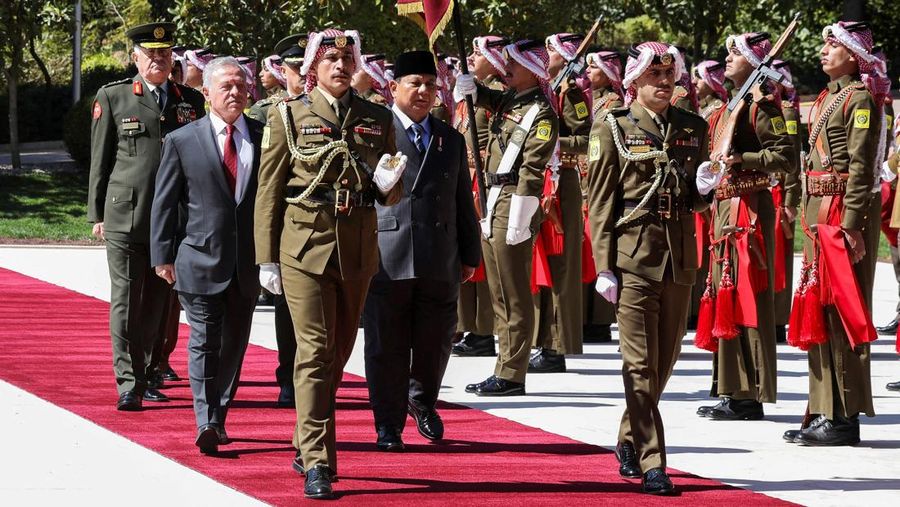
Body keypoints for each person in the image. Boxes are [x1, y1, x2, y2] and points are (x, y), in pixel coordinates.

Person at [254, 28, 406, 499]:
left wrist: (388, 180)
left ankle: (303, 437)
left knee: (338, 352)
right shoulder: (288, 114)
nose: (340, 66)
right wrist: (266, 258)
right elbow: (269, 191)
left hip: (356, 246)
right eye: (329, 59)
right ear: (311, 66)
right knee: (316, 351)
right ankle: (319, 461)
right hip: (305, 245)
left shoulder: (377, 117)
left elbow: (389, 193)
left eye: (346, 58)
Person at [587, 41, 709, 495]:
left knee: (662, 365)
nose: (663, 83)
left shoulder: (692, 128)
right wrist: (604, 266)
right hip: (633, 258)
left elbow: (692, 198)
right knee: (638, 366)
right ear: (634, 81)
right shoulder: (613, 128)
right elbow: (599, 205)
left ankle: (627, 438)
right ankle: (653, 461)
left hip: (678, 261)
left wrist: (706, 188)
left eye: (669, 75)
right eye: (653, 77)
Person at [362, 50, 481, 451]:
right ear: (393, 87)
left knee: (435, 342)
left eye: (431, 85)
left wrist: (469, 254)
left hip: (438, 254)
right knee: (386, 345)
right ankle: (388, 423)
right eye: (415, 83)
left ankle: (423, 400)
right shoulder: (375, 131)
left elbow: (463, 199)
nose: (424, 91)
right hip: (387, 253)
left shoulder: (450, 137)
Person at [87, 22, 205, 411]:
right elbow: (100, 162)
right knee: (125, 299)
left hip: (171, 217)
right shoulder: (115, 97)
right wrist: (97, 212)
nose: (158, 58)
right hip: (126, 215)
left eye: (165, 52)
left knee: (158, 301)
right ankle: (128, 381)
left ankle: (152, 371)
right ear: (135, 56)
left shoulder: (189, 100)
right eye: (150, 52)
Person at [150, 57, 262, 454]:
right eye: (226, 86)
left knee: (234, 343)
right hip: (198, 259)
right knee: (203, 340)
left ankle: (221, 412)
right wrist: (162, 254)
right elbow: (165, 202)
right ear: (207, 93)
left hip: (246, 263)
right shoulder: (182, 140)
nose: (234, 92)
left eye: (240, 85)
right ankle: (206, 420)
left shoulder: (265, 137)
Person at [785, 21, 887, 445]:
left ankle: (843, 416)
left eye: (833, 45)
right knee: (821, 311)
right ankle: (824, 408)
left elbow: (862, 169)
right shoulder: (831, 95)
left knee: (841, 312)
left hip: (842, 214)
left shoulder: (859, 98)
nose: (824, 51)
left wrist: (852, 227)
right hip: (819, 213)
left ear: (853, 55)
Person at [695, 31, 794, 421]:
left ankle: (749, 393)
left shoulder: (761, 106)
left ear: (753, 62)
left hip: (749, 210)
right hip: (725, 209)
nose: (728, 59)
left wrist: (743, 158)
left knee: (748, 296)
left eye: (735, 53)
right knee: (724, 294)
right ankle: (730, 388)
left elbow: (784, 158)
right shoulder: (727, 106)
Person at [454, 39, 558, 396]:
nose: (506, 67)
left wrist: (521, 215)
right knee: (498, 290)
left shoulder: (541, 113)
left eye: (514, 62)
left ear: (534, 69)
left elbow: (532, 168)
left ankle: (513, 372)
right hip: (494, 195)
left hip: (515, 199)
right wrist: (472, 86)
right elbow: (487, 99)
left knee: (513, 293)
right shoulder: (512, 99)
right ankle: (504, 366)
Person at [247, 34, 307, 407]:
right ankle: (289, 375)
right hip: (290, 227)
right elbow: (265, 181)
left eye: (306, 67)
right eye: (294, 68)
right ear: (282, 71)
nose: (301, 75)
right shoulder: (269, 112)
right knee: (288, 310)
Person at [528, 33, 591, 373]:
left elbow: (585, 138)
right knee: (541, 265)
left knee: (560, 264)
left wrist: (552, 142)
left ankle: (556, 345)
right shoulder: (547, 89)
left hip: (562, 184)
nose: (544, 55)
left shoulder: (571, 93)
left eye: (550, 50)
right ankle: (542, 340)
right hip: (541, 180)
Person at [451, 36, 508, 358]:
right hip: (465, 176)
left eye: (478, 53)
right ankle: (469, 326)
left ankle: (484, 330)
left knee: (483, 258)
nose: (472, 58)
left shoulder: (495, 94)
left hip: (483, 179)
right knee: (466, 254)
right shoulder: (467, 92)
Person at [580, 50, 624, 343]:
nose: (588, 73)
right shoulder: (592, 101)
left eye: (593, 67)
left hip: (600, 181)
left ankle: (600, 320)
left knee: (602, 250)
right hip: (587, 180)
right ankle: (589, 317)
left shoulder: (614, 105)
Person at [687, 60, 728, 330]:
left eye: (699, 79)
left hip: (709, 184)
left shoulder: (718, 112)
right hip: (702, 181)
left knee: (703, 252)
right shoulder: (706, 110)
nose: (694, 84)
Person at [772, 60, 802, 343]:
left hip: (779, 193)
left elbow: (792, 159)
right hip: (761, 192)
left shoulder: (787, 111)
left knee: (779, 259)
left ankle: (779, 320)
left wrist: (791, 199)